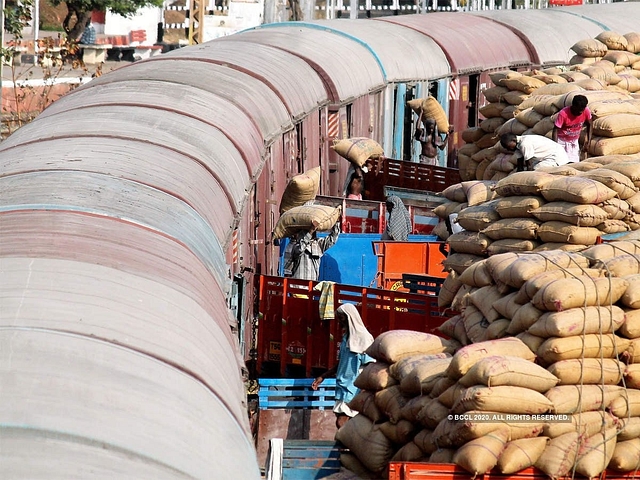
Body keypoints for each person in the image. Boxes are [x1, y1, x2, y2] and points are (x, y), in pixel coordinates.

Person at [311, 303, 375, 429]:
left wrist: (364, 388)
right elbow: (341, 363)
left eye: (341, 318)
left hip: (354, 388)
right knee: (345, 422)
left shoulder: (364, 338)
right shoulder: (346, 338)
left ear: (349, 317)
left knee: (341, 422)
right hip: (342, 386)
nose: (339, 322)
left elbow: (369, 365)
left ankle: (344, 447)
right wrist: (322, 377)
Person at [500, 133, 571, 171]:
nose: (509, 149)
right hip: (546, 158)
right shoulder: (517, 147)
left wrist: (527, 178)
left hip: (556, 157)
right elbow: (520, 164)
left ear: (513, 140)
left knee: (536, 169)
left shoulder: (524, 143)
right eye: (506, 148)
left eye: (508, 146)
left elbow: (529, 164)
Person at [552, 94, 592, 163]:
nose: (580, 113)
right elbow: (555, 130)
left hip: (574, 141)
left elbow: (590, 124)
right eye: (578, 110)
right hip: (562, 142)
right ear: (573, 106)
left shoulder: (586, 111)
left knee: (574, 165)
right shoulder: (563, 114)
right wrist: (556, 146)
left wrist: (588, 141)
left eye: (582, 110)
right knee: (561, 163)